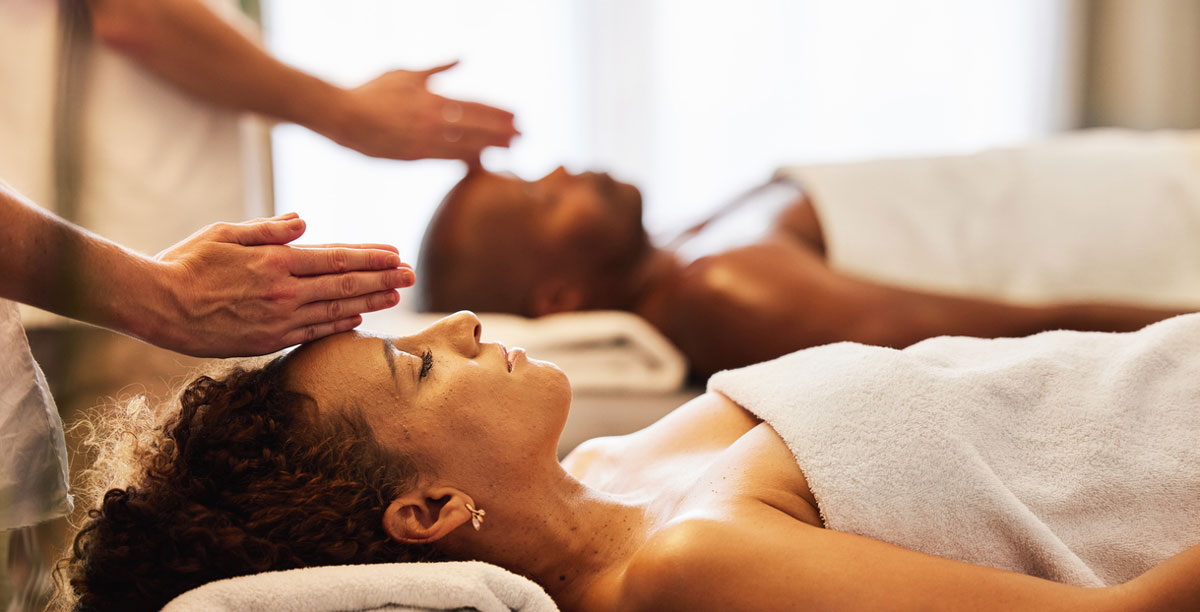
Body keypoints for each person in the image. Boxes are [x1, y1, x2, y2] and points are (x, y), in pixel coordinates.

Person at [59, 311, 1200, 611]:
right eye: (415, 369)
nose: (458, 326)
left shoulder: (613, 457)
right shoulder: (689, 569)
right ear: (430, 509)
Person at [416, 130, 1200, 376]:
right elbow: (1015, 336)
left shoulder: (688, 250)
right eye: (542, 199)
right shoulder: (719, 291)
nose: (564, 170)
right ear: (558, 299)